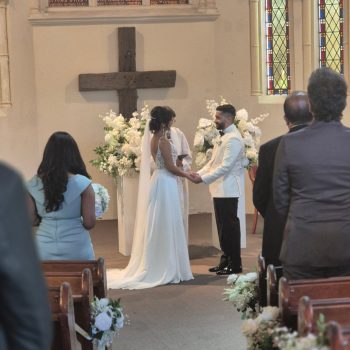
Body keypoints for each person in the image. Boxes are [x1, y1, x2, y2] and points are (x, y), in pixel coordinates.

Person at [274, 67, 350, 280]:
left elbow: (280, 201)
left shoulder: (289, 143)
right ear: (343, 102)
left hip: (302, 248)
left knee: (298, 311)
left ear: (311, 104)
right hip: (346, 246)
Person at [107, 106, 194, 289]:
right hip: (166, 181)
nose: (173, 123)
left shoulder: (154, 138)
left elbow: (166, 163)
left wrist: (178, 164)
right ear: (165, 121)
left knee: (161, 221)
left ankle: (163, 260)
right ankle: (166, 265)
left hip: (160, 180)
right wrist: (188, 175)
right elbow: (169, 167)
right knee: (167, 222)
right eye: (171, 119)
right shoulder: (162, 140)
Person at [253, 92, 312, 267]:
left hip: (279, 231)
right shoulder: (329, 145)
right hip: (322, 234)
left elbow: (259, 196)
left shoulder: (269, 148)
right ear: (313, 115)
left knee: (278, 283)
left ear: (286, 119)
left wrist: (275, 215)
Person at [0, 162, 52, 349]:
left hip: (45, 245)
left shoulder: (33, 184)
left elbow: (31, 219)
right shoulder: (4, 184)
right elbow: (27, 309)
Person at [191, 104, 245, 275]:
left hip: (228, 189)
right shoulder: (223, 137)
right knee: (222, 228)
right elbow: (213, 162)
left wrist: (203, 179)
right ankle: (225, 260)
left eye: (218, 117)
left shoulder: (234, 139)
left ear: (229, 118)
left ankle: (235, 264)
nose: (215, 120)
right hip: (220, 189)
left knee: (230, 228)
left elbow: (226, 167)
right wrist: (197, 173)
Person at [27, 131, 96, 260]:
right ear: (73, 154)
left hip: (43, 251)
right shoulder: (83, 184)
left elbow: (31, 220)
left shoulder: (32, 184)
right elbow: (89, 223)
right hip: (77, 250)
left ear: (47, 155)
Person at [165, 106, 192, 242]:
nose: (173, 124)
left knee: (179, 212)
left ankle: (180, 243)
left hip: (179, 179)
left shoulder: (178, 133)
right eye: (171, 120)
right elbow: (148, 161)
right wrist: (169, 165)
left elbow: (188, 156)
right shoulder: (153, 137)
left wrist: (182, 164)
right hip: (164, 179)